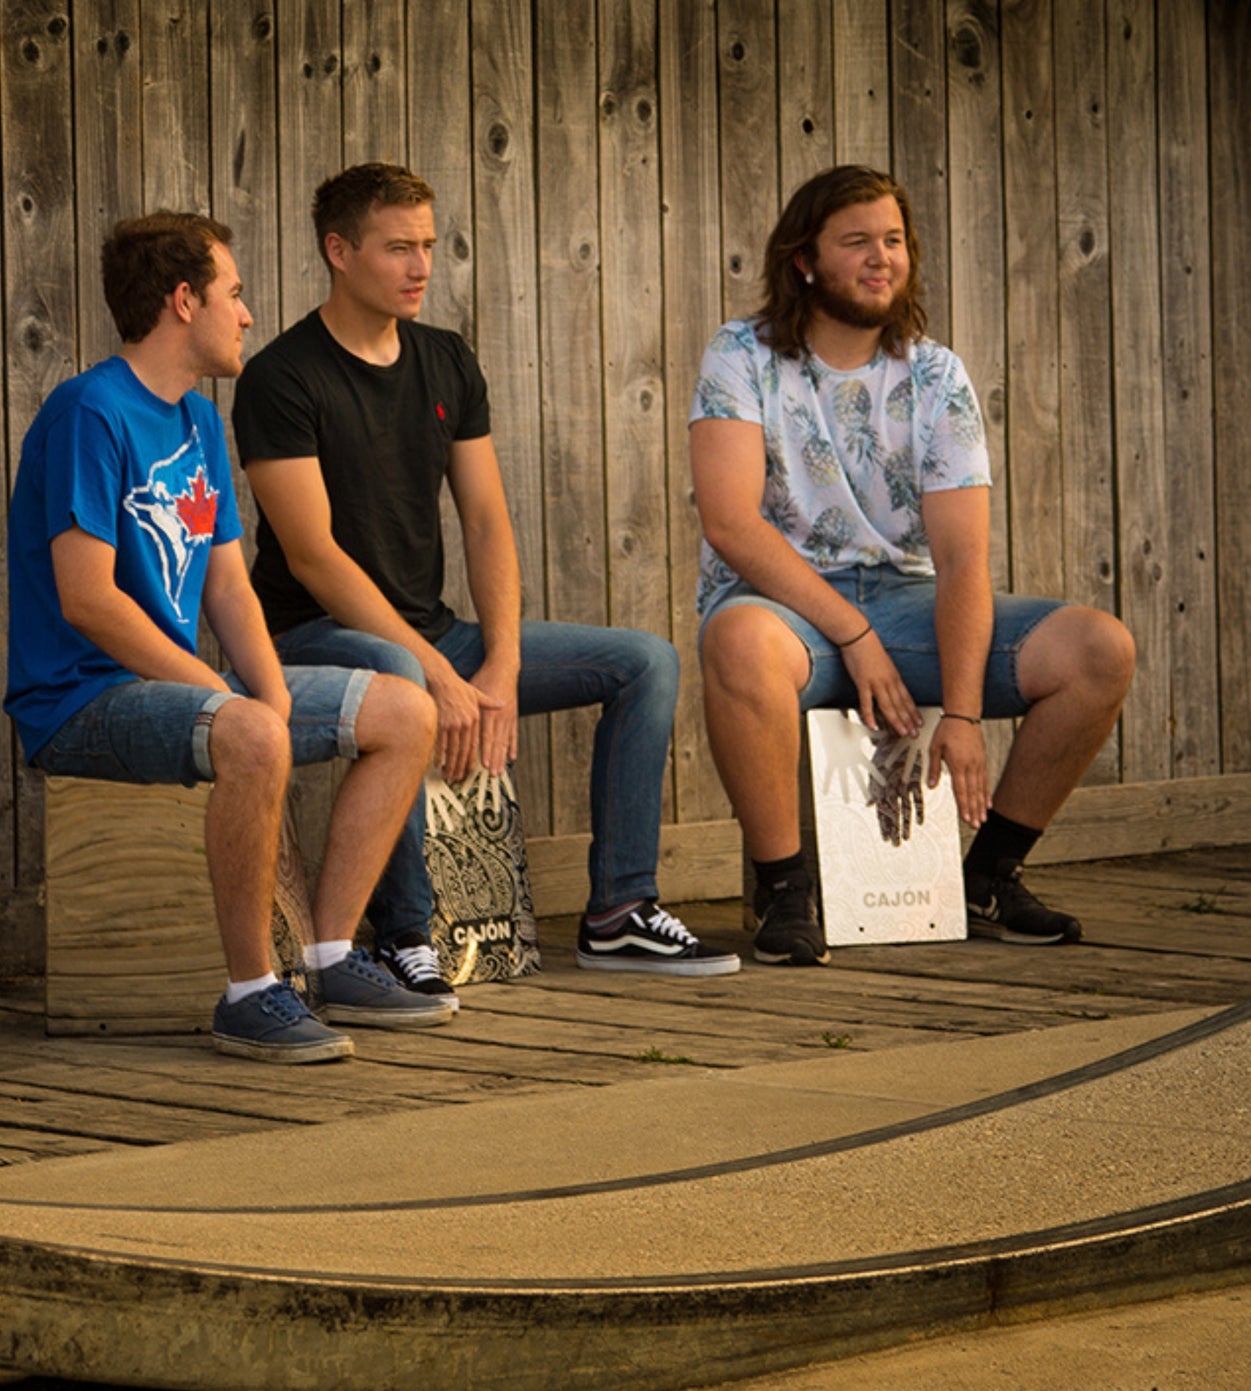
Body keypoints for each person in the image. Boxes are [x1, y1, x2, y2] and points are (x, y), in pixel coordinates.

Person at [232, 162, 739, 996]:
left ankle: (618, 912)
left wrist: (495, 665)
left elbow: (486, 521)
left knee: (644, 661)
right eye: (398, 248)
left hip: (436, 633)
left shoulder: (446, 360)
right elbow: (316, 557)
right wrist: (435, 674)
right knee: (397, 674)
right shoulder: (283, 378)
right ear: (339, 251)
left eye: (428, 246)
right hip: (314, 638)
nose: (421, 266)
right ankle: (404, 936)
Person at [4, 212, 450, 1061]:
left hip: (173, 692)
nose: (247, 314)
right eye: (234, 294)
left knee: (405, 712)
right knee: (246, 729)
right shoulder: (89, 414)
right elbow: (88, 601)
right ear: (183, 300)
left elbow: (229, 586)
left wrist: (272, 696)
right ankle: (249, 993)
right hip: (81, 700)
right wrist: (227, 700)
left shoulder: (200, 423)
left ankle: (329, 955)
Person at [689, 165, 1136, 966]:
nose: (880, 258)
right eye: (856, 241)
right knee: (738, 643)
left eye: (893, 241)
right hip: (786, 609)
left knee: (1098, 650)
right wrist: (851, 633)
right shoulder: (741, 355)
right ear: (805, 260)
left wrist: (961, 716)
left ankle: (988, 877)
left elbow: (963, 556)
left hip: (906, 605)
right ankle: (786, 892)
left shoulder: (935, 375)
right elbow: (730, 523)